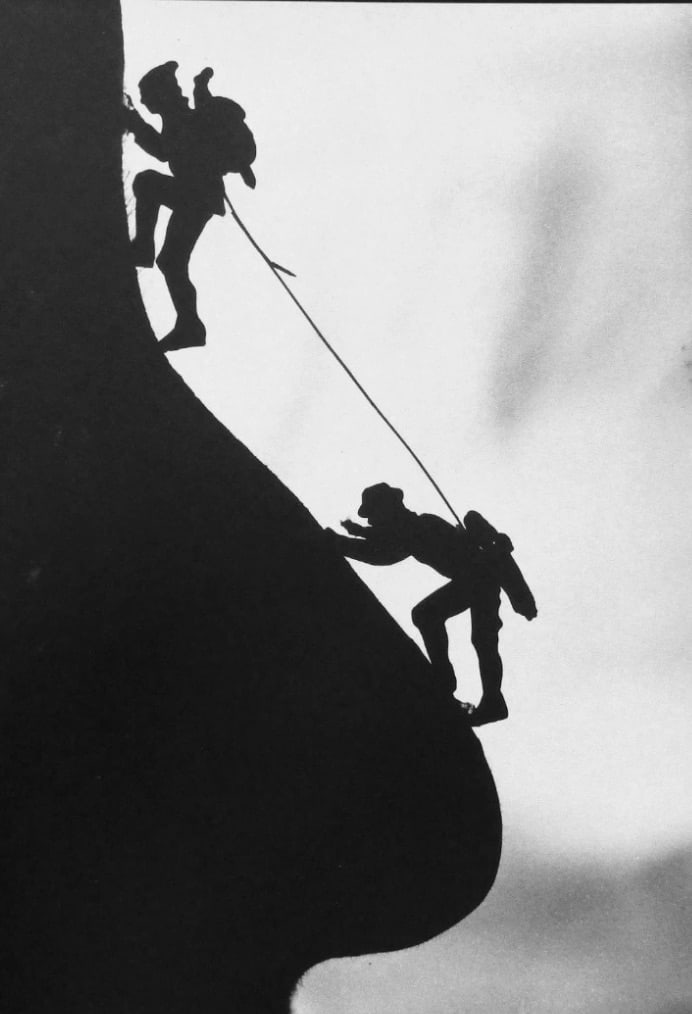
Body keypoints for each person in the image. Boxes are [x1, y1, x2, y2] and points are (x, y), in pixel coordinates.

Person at [326, 483, 537, 727]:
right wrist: (356, 533)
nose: (372, 519)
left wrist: (341, 542)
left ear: (389, 507)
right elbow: (387, 540)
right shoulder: (414, 526)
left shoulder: (416, 528)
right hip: (475, 580)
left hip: (479, 578)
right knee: (474, 636)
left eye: (374, 513)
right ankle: (480, 694)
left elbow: (383, 553)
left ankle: (463, 687)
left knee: (467, 632)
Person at [124, 61, 227, 353]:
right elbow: (165, 149)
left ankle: (144, 247)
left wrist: (134, 123)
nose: (144, 101)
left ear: (161, 95)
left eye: (147, 96)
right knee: (171, 260)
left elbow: (162, 151)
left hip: (196, 194)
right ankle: (190, 324)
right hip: (198, 196)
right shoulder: (179, 115)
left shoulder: (179, 116)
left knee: (147, 183)